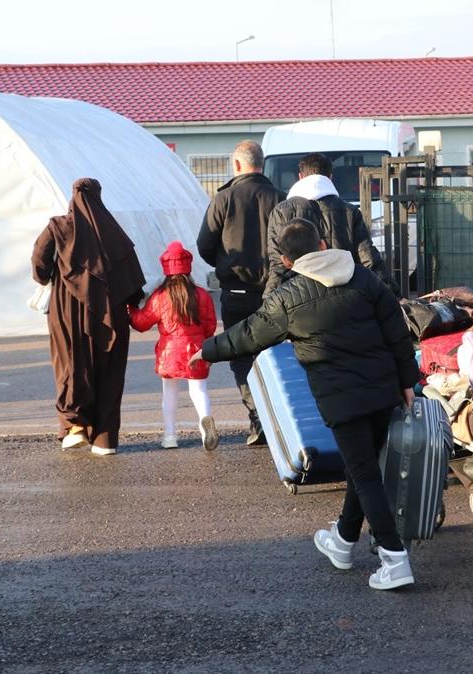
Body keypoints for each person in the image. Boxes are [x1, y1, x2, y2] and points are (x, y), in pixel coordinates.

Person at [190, 219, 421, 590]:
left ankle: (394, 560)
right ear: (324, 242)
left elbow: (249, 334)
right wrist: (408, 380)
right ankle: (344, 542)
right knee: (361, 468)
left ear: (286, 259)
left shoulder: (289, 298)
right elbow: (395, 327)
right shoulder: (363, 278)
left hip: (341, 399)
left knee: (364, 473)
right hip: (383, 391)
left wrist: (206, 351)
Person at [31, 178, 147, 456]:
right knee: (109, 373)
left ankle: (75, 428)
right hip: (111, 313)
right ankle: (105, 440)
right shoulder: (114, 232)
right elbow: (133, 283)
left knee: (72, 364)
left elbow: (38, 263)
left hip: (67, 312)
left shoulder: (58, 227)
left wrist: (50, 277)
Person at [196, 140, 283, 446]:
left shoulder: (224, 198)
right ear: (263, 163)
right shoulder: (278, 198)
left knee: (241, 355)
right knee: (273, 355)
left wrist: (224, 263)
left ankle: (257, 419)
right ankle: (277, 419)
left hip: (235, 289)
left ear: (236, 165)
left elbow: (204, 243)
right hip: (275, 291)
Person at [129, 241, 218, 451]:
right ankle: (205, 422)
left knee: (169, 393)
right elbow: (210, 325)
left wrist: (130, 310)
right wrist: (202, 344)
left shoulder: (160, 296)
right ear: (188, 268)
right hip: (196, 349)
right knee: (199, 390)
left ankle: (170, 436)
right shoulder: (202, 295)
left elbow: (142, 322)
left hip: (169, 353)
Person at [264, 152, 394, 294]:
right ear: (330, 177)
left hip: (298, 297)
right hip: (345, 296)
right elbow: (369, 260)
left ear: (300, 177)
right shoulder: (350, 211)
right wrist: (394, 295)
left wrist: (268, 304)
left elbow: (278, 266)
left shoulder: (280, 212)